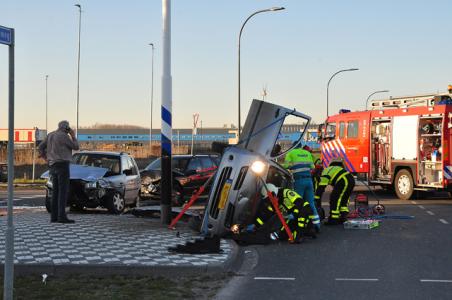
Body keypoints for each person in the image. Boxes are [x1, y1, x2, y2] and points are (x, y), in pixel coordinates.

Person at [38, 120, 79, 223]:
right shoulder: (64, 136)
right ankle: (61, 217)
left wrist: (45, 158)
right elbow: (76, 147)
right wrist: (73, 135)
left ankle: (54, 217)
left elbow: (40, 147)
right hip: (62, 165)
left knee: (55, 192)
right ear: (66, 128)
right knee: (63, 192)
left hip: (52, 165)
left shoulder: (50, 135)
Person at [283, 142, 321, 230]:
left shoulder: (290, 153)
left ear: (293, 146)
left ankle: (297, 225)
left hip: (299, 180)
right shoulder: (307, 153)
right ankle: (317, 225)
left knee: (298, 203)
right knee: (311, 203)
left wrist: (291, 166)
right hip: (309, 180)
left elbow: (286, 166)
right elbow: (312, 166)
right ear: (301, 146)